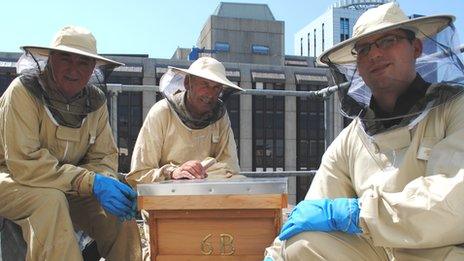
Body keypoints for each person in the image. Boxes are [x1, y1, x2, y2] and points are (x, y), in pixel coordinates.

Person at [265, 3, 464, 260]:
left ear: (416, 48)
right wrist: (276, 253)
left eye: (388, 40)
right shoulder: (352, 138)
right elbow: (313, 209)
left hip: (444, 253)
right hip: (378, 253)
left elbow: (454, 201)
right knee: (301, 244)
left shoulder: (455, 110)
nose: (375, 54)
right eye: (364, 48)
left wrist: (358, 213)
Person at [0, 26, 142, 260]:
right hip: (12, 178)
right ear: (51, 59)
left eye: (83, 62)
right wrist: (89, 181)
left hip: (68, 184)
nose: (73, 70)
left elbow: (103, 157)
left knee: (119, 214)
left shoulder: (95, 102)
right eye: (65, 58)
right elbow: (24, 162)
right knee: (50, 201)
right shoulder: (22, 92)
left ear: (93, 68)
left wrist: (105, 180)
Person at [127, 56, 242, 186]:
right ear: (188, 83)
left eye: (216, 88)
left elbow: (231, 169)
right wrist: (172, 172)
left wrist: (201, 172)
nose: (210, 94)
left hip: (208, 196)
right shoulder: (161, 112)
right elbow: (138, 174)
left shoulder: (220, 116)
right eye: (205, 85)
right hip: (165, 199)